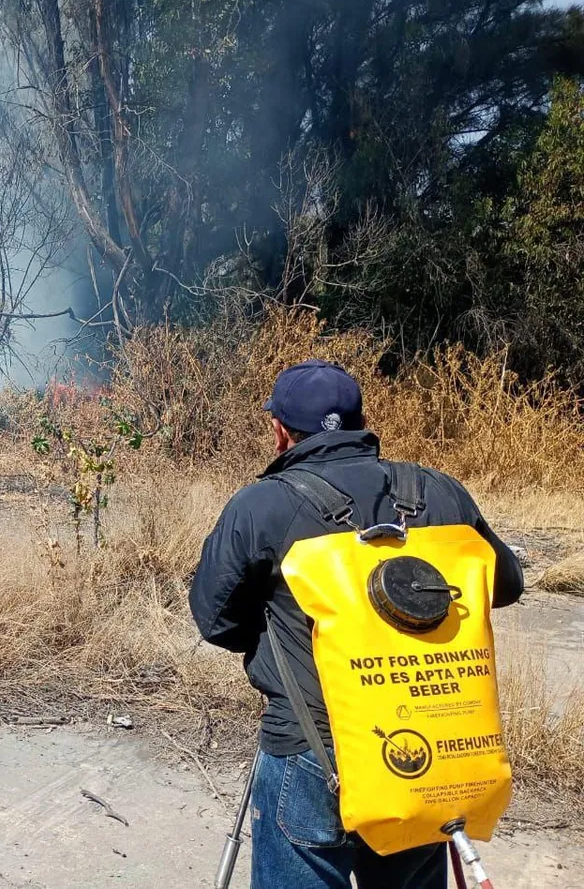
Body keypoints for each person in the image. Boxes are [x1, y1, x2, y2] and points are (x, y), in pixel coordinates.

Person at [189, 359, 524, 889]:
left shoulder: (262, 506)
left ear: (280, 430)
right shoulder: (439, 492)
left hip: (312, 750)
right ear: (359, 420)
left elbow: (216, 622)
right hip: (427, 748)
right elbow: (505, 586)